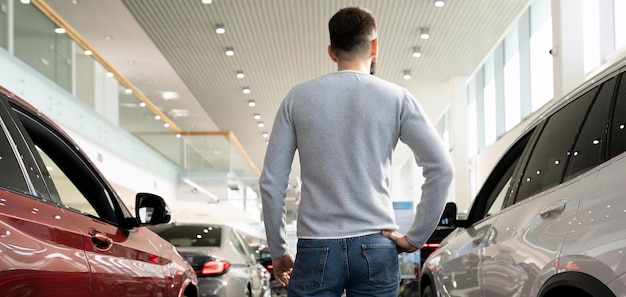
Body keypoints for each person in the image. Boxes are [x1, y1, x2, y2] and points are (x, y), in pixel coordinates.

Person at [259, 6, 454, 297]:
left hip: (316, 246)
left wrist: (278, 250)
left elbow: (272, 182)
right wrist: (415, 238)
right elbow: (442, 169)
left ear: (331, 51)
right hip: (377, 246)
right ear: (374, 46)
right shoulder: (397, 97)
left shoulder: (298, 98)